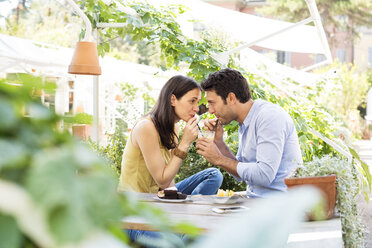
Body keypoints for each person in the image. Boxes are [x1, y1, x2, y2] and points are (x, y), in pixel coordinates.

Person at [117, 75, 223, 243]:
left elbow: (168, 182)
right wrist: (185, 142)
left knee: (213, 175)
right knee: (176, 243)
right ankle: (189, 234)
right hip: (134, 214)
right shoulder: (146, 128)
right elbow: (162, 178)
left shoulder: (173, 126)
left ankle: (191, 226)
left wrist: (175, 204)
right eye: (192, 101)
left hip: (159, 200)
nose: (196, 108)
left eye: (198, 102)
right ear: (173, 99)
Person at [195, 68, 302, 198]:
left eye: (212, 103)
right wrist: (219, 142)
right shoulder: (245, 122)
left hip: (279, 205)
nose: (210, 111)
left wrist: (218, 159)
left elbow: (264, 175)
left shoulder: (269, 117)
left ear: (231, 98)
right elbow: (240, 172)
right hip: (255, 201)